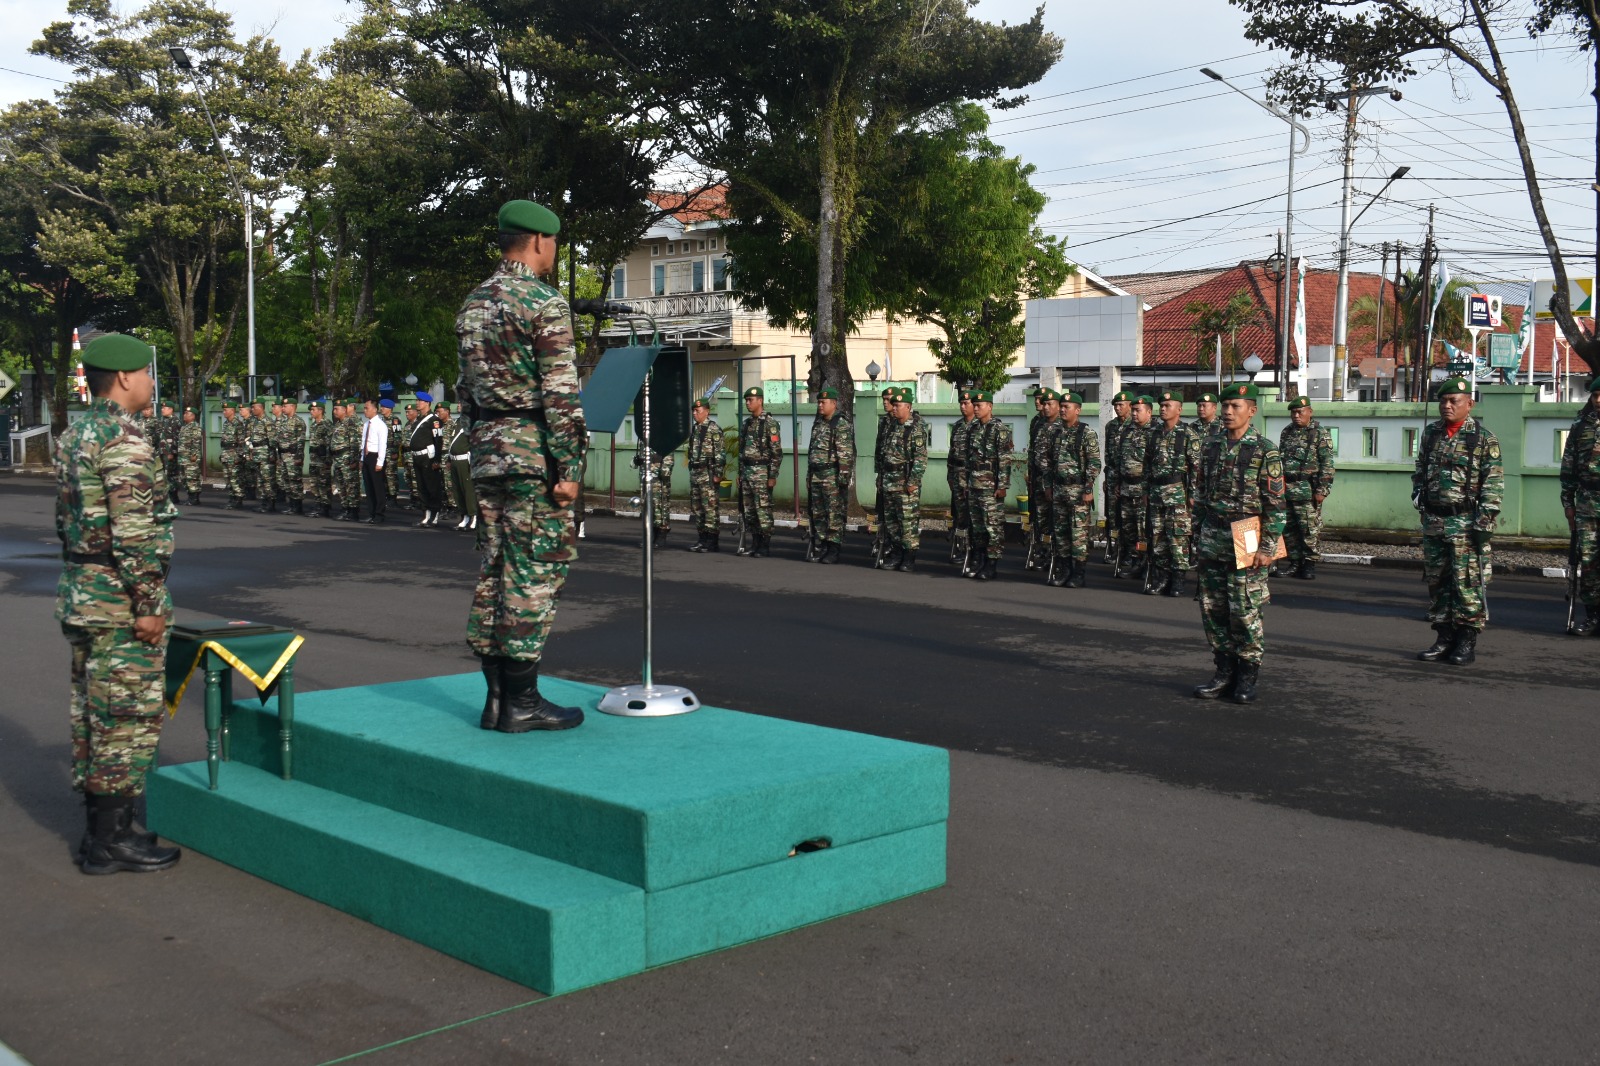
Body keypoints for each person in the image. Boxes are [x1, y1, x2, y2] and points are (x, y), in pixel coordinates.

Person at [456, 199, 586, 733]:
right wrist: (569, 468)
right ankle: (523, 702)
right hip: (533, 453)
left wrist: (485, 439)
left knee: (494, 570)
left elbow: (465, 389)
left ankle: (495, 700)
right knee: (533, 572)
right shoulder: (543, 302)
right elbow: (560, 395)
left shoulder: (472, 303)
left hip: (488, 449)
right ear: (537, 241)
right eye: (553, 242)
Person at [54, 332, 182, 875]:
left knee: (93, 715)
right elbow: (133, 532)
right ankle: (110, 842)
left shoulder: (75, 432)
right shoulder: (123, 439)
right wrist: (149, 602)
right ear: (126, 377)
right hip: (119, 604)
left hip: (84, 596)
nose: (153, 384)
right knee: (125, 717)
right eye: (150, 374)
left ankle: (103, 831)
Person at [1192, 381, 1285, 705]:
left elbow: (1275, 506)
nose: (1229, 412)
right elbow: (1200, 494)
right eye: (1226, 406)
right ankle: (1223, 671)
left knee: (1244, 609)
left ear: (1252, 410)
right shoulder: (1212, 445)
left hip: (1247, 532)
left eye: (1236, 407)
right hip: (1213, 534)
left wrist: (1267, 547)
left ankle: (1247, 675)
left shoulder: (1265, 450)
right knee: (1213, 608)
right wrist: (1196, 533)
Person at [1413, 377, 1504, 666]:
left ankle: (1466, 641)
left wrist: (1484, 524)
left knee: (1467, 584)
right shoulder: (1431, 434)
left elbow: (1493, 485)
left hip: (1465, 522)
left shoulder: (1482, 438)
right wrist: (1418, 497)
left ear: (1469, 404)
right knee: (1438, 583)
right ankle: (1444, 637)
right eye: (1443, 401)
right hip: (1435, 522)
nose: (1447, 406)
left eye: (1454, 401)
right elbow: (1420, 469)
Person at [1144, 390, 1202, 597]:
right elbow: (1147, 465)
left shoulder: (1188, 435)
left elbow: (1197, 468)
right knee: (1158, 538)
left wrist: (1193, 494)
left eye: (1168, 406)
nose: (1163, 409)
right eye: (1162, 406)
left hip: (1178, 495)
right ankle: (1162, 578)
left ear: (1179, 409)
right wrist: (1146, 491)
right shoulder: (1153, 433)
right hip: (1157, 494)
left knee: (1178, 538)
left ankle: (1178, 579)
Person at [1045, 390, 1100, 588]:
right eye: (1061, 406)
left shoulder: (1087, 433)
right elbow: (1048, 462)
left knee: (1078, 534)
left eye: (1066, 407)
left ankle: (1079, 572)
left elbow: (1094, 463)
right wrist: (1048, 485)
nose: (1062, 410)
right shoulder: (1054, 432)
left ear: (1078, 410)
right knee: (1061, 533)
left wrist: (1088, 488)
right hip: (1059, 488)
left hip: (1078, 491)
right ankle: (1064, 569)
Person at [1277, 396, 1336, 579]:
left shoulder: (1319, 433)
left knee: (1309, 528)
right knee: (1289, 528)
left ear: (1310, 412)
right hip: (1287, 488)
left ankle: (1309, 564)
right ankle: (1295, 563)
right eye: (1293, 412)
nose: (1296, 415)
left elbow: (1327, 463)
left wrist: (1322, 490)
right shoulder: (1287, 432)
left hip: (1307, 489)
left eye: (1300, 412)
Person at [1561, 375, 1600, 635]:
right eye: (1595, 396)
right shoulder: (1581, 425)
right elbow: (1569, 466)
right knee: (1588, 562)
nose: (1598, 401)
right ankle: (1593, 616)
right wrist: (1568, 503)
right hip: (1587, 503)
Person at [964, 390, 1014, 580]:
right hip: (975, 485)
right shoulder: (973, 428)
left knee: (993, 527)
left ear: (990, 407)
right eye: (974, 406)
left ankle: (992, 564)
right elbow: (970, 458)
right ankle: (980, 560)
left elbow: (1005, 460)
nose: (975, 409)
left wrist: (1002, 486)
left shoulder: (1000, 430)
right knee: (977, 527)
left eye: (979, 406)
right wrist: (968, 482)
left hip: (991, 487)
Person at [879, 387, 928, 571]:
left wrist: (913, 481)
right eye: (893, 405)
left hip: (905, 482)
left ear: (908, 407)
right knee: (892, 522)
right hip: (889, 481)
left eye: (898, 405)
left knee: (907, 522)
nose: (894, 408)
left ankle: (909, 556)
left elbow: (920, 458)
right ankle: (897, 553)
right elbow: (884, 453)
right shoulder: (891, 426)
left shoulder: (915, 428)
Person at [806, 386, 854, 563]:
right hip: (817, 474)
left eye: (823, 402)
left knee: (834, 513)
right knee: (818, 513)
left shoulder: (840, 424)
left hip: (831, 475)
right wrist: (808, 476)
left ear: (833, 404)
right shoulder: (818, 423)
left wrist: (842, 479)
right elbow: (812, 452)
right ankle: (823, 545)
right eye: (819, 402)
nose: (820, 405)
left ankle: (834, 549)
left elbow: (845, 454)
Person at [1111, 394, 1155, 578]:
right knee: (1128, 530)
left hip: (1143, 490)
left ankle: (1146, 563)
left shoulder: (1155, 432)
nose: (1134, 414)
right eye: (1134, 410)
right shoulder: (1126, 432)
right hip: (1126, 487)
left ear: (1149, 412)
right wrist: (1117, 483)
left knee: (1143, 529)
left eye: (1138, 411)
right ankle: (1135, 561)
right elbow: (1118, 460)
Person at [737, 385, 784, 558]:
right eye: (747, 400)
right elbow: (742, 452)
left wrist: (772, 475)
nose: (748, 403)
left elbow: (776, 453)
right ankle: (754, 542)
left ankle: (764, 544)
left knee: (763, 509)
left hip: (762, 472)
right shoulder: (747, 424)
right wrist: (740, 474)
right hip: (748, 472)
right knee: (749, 510)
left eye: (751, 400)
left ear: (760, 401)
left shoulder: (770, 424)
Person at [1027, 388, 1063, 576]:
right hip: (1038, 478)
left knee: (1055, 518)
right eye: (1040, 400)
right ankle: (1043, 551)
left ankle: (1055, 554)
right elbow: (1033, 451)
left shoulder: (1061, 426)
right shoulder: (1037, 423)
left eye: (1046, 402)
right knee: (1040, 518)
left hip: (1055, 481)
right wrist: (1030, 476)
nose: (1040, 404)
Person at [685, 397, 725, 552]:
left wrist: (718, 474)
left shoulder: (714, 429)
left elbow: (720, 454)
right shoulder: (694, 429)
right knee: (697, 507)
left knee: (710, 507)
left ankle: (712, 541)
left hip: (708, 473)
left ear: (707, 411)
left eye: (698, 411)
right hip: (696, 472)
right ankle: (702, 539)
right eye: (693, 411)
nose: (695, 414)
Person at [1101, 390, 1133, 563]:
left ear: (1130, 405)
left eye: (1121, 405)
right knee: (1112, 515)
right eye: (1116, 405)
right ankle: (1114, 549)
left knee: (1127, 517)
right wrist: (1107, 477)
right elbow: (1108, 454)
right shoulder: (1111, 426)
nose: (1118, 408)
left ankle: (1129, 552)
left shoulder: (1134, 425)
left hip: (1128, 478)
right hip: (1113, 476)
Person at [408, 394, 447, 527]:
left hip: (428, 458)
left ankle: (434, 516)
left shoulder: (434, 420)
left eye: (420, 401)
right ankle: (426, 515)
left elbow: (438, 440)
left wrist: (437, 460)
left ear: (427, 403)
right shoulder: (419, 419)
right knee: (421, 487)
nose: (417, 403)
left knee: (432, 487)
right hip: (417, 457)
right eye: (417, 400)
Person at [437, 403, 477, 531]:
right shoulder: (458, 422)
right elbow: (452, 442)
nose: (459, 406)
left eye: (461, 403)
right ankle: (464, 516)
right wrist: (449, 459)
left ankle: (474, 516)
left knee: (468, 490)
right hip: (454, 460)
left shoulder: (472, 421)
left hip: (465, 460)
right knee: (457, 490)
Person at [947, 389, 976, 557]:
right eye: (961, 403)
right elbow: (952, 453)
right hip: (958, 475)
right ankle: (960, 546)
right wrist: (950, 476)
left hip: (973, 477)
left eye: (967, 403)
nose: (963, 406)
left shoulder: (979, 426)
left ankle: (972, 547)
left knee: (973, 514)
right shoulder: (957, 426)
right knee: (959, 514)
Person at [332, 399, 363, 521]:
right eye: (334, 409)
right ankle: (346, 508)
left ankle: (353, 510)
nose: (334, 411)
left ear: (344, 410)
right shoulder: (338, 424)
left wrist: (354, 460)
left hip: (347, 459)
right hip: (338, 459)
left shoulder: (350, 423)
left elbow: (355, 443)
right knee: (342, 486)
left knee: (351, 486)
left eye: (337, 409)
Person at [275, 397, 307, 515]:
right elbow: (278, 440)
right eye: (282, 406)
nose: (283, 408)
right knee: (286, 482)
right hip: (283, 456)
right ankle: (291, 504)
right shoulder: (283, 421)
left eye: (285, 406)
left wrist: (299, 458)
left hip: (293, 456)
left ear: (292, 407)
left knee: (295, 482)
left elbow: (301, 441)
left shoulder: (298, 422)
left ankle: (298, 506)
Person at [360, 399, 390, 523]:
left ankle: (379, 514)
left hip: (375, 457)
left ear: (374, 409)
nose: (364, 410)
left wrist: (380, 462)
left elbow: (382, 445)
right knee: (369, 488)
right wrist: (361, 458)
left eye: (367, 408)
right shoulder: (366, 424)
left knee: (378, 488)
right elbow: (363, 442)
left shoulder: (380, 425)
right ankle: (372, 513)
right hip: (367, 457)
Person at [306, 402, 333, 518]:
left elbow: (330, 444)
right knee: (314, 484)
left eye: (313, 410)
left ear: (320, 411)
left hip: (322, 460)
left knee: (323, 484)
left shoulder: (326, 424)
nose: (311, 412)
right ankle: (318, 505)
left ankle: (325, 507)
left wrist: (328, 460)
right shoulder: (313, 425)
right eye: (311, 410)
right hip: (313, 459)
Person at [244, 399, 271, 511]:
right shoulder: (253, 422)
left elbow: (272, 440)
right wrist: (248, 452)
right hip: (255, 453)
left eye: (254, 407)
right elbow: (249, 439)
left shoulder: (267, 421)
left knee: (267, 480)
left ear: (261, 408)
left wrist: (273, 455)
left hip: (265, 454)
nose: (252, 409)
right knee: (260, 480)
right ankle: (264, 503)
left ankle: (269, 503)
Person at [176, 407, 204, 506]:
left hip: (190, 457)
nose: (184, 415)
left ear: (193, 416)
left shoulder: (195, 427)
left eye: (187, 413)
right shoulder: (184, 427)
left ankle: (194, 498)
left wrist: (194, 455)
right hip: (183, 457)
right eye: (184, 413)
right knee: (184, 478)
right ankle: (191, 496)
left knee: (192, 477)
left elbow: (196, 442)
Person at [219, 400, 243, 508]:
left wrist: (239, 456)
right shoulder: (226, 423)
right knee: (227, 478)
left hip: (234, 454)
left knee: (235, 478)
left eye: (225, 410)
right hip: (226, 453)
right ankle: (231, 498)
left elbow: (242, 442)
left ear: (232, 411)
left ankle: (238, 500)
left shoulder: (238, 424)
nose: (224, 412)